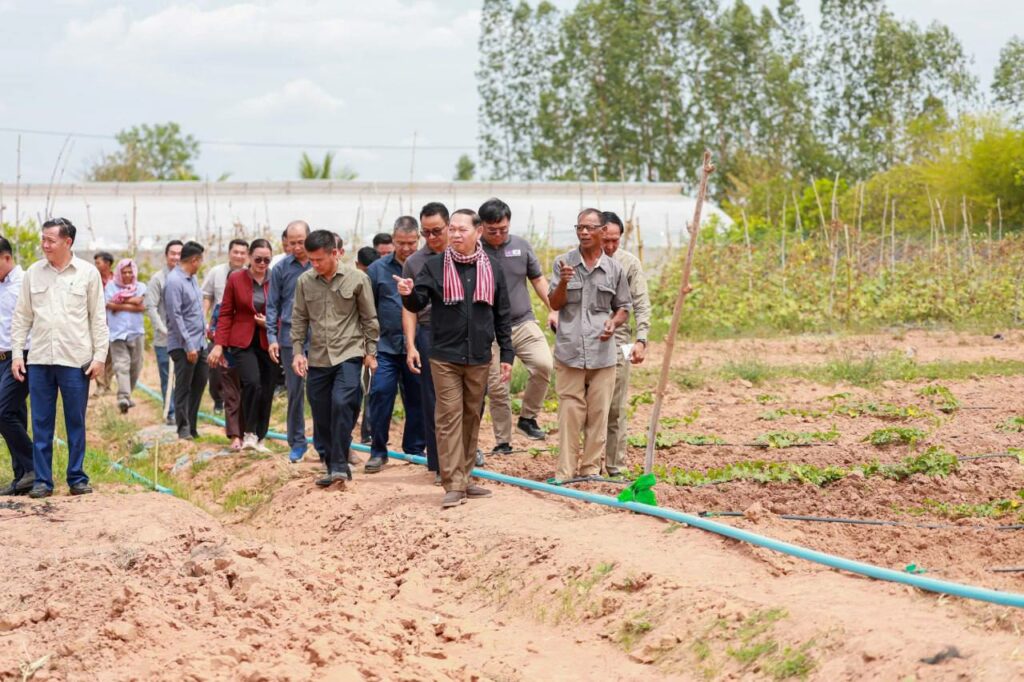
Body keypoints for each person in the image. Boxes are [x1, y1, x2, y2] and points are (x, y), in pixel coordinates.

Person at [397, 209, 514, 508]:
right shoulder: (435, 266)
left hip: (479, 355)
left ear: (478, 232)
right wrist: (408, 293)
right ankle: (453, 483)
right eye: (453, 229)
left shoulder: (493, 267)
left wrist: (507, 353)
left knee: (471, 417)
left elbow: (502, 313)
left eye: (463, 229)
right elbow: (418, 302)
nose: (456, 234)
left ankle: (465, 476)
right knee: (448, 417)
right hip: (444, 356)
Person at [12, 218, 109, 498]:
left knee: (75, 422)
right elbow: (22, 317)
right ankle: (43, 481)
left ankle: (76, 477)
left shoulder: (87, 274)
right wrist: (17, 354)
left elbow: (98, 318)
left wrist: (100, 356)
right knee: (41, 423)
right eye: (43, 239)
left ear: (68, 242)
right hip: (40, 359)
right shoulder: (33, 273)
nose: (45, 245)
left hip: (75, 361)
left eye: (50, 240)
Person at [290, 230, 379, 488]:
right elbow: (299, 318)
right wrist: (297, 351)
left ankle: (339, 464)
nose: (315, 264)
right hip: (318, 356)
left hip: (349, 353)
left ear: (334, 253)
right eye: (311, 260)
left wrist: (370, 352)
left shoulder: (358, 279)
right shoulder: (305, 281)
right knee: (321, 412)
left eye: (319, 259)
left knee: (342, 403)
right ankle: (332, 463)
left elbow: (369, 318)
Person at [548, 209, 631, 484]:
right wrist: (563, 282)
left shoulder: (614, 269)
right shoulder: (563, 264)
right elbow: (555, 303)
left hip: (602, 353)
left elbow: (624, 307)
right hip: (570, 351)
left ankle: (590, 470)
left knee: (599, 414)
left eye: (589, 228)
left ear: (602, 231)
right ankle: (565, 472)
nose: (583, 232)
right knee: (569, 413)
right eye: (580, 227)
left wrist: (613, 323)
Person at [478, 198, 553, 452]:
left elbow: (538, 279)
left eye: (503, 229)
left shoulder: (521, 246)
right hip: (490, 331)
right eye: (492, 231)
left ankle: (528, 418)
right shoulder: (474, 251)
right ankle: (503, 441)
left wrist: (553, 308)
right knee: (498, 387)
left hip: (523, 322)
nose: (499, 235)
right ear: (481, 227)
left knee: (543, 364)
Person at [363, 216, 425, 473]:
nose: (406, 248)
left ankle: (415, 449)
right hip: (385, 347)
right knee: (380, 394)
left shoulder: (426, 265)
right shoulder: (377, 270)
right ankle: (378, 451)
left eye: (411, 243)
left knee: (418, 398)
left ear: (418, 239)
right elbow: (367, 311)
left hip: (418, 346)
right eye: (401, 243)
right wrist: (368, 349)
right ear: (393, 239)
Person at [209, 240, 274, 452]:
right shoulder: (236, 278)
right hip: (242, 341)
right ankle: (248, 432)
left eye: (267, 260)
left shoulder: (276, 279)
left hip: (269, 341)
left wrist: (270, 323)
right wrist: (219, 344)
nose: (262, 264)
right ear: (250, 258)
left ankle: (260, 436)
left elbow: (285, 310)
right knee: (252, 383)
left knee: (267, 388)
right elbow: (226, 313)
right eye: (258, 259)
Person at [600, 212, 651, 476]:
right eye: (605, 240)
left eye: (615, 240)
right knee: (586, 405)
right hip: (588, 339)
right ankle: (586, 464)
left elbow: (641, 303)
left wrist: (641, 340)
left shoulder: (629, 263)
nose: (610, 246)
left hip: (622, 339)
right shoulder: (579, 261)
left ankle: (615, 466)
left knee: (617, 406)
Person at [402, 202, 449, 485]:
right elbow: (409, 308)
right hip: (430, 332)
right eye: (426, 233)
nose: (431, 238)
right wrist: (411, 345)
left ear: (449, 227)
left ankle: (463, 453)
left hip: (462, 332)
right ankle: (440, 462)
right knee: (433, 399)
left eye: (436, 231)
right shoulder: (414, 262)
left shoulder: (465, 254)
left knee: (469, 397)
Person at [267, 220, 322, 463]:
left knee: (320, 391)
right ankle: (297, 442)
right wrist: (272, 337)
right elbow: (272, 305)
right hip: (290, 337)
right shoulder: (280, 269)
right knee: (295, 391)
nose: (297, 247)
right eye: (292, 243)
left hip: (319, 336)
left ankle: (323, 442)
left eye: (301, 242)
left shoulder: (320, 264)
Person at [165, 241, 209, 441]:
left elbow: (195, 310)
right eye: (200, 260)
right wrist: (189, 345)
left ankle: (192, 426)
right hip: (184, 345)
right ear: (194, 260)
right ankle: (182, 427)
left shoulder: (192, 279)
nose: (201, 264)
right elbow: (175, 316)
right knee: (183, 387)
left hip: (200, 342)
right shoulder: (174, 281)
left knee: (199, 383)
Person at [0, 238, 33, 496]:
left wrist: (20, 355)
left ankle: (35, 466)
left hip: (21, 356)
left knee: (3, 412)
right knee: (15, 415)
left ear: (6, 258)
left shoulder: (25, 283)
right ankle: (22, 477)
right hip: (1, 358)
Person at [202, 238, 249, 414]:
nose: (239, 256)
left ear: (247, 255)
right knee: (215, 366)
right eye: (235, 252)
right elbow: (207, 296)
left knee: (238, 366)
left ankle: (239, 401)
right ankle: (218, 399)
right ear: (229, 253)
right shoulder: (216, 272)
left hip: (241, 328)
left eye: (242, 253)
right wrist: (204, 319)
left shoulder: (250, 273)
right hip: (218, 326)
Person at [145, 240, 182, 425]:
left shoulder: (187, 277)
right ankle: (170, 412)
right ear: (166, 256)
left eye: (179, 253)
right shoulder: (158, 279)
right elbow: (150, 306)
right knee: (167, 377)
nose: (176, 257)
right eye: (173, 253)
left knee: (183, 377)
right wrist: (162, 329)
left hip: (184, 339)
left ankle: (183, 411)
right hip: (164, 339)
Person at [105, 259, 147, 414]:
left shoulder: (141, 287)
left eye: (130, 272)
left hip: (136, 332)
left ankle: (127, 396)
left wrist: (119, 302)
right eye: (124, 272)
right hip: (117, 333)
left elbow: (141, 306)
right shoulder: (111, 286)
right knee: (121, 365)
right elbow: (109, 304)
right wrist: (131, 302)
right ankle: (123, 397)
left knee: (136, 366)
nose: (128, 275)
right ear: (119, 273)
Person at [93, 251, 116, 393]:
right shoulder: (94, 279)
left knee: (112, 356)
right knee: (99, 353)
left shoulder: (117, 280)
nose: (96, 265)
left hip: (115, 323)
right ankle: (100, 385)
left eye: (98, 263)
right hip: (98, 323)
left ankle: (107, 383)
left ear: (107, 264)